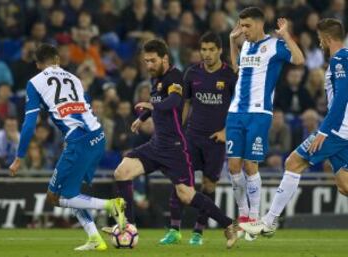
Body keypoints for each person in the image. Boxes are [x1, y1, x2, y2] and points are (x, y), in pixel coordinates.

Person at [110, 39, 238, 249]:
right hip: (156, 145)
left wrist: (151, 104)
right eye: (146, 61)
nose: (148, 65)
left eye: (152, 61)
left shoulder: (175, 77)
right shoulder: (157, 79)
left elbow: (174, 102)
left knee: (186, 195)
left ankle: (228, 224)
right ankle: (129, 227)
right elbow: (160, 102)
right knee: (121, 172)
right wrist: (142, 118)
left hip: (175, 149)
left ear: (165, 58)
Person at [9, 44, 126, 251]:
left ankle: (111, 205)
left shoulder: (35, 82)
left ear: (38, 64)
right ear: (58, 59)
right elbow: (85, 107)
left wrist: (19, 156)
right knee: (73, 193)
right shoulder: (75, 78)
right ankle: (95, 239)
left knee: (57, 197)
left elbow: (29, 124)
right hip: (97, 137)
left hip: (78, 142)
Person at [240, 18, 348, 237]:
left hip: (337, 130)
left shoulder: (339, 61)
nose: (319, 43)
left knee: (293, 162)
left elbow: (341, 99)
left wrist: (325, 131)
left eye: (320, 39)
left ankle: (269, 221)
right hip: (342, 130)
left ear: (327, 38)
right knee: (344, 185)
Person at [227, 7, 304, 240]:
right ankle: (243, 216)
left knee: (250, 166)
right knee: (232, 167)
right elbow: (237, 70)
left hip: (259, 113)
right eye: (241, 25)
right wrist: (232, 43)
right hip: (235, 111)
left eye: (247, 26)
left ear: (260, 24)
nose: (243, 30)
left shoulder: (274, 45)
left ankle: (253, 217)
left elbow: (299, 60)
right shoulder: (246, 45)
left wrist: (287, 36)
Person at [159, 32, 236, 246]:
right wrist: (178, 129)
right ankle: (174, 229)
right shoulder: (192, 73)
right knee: (181, 182)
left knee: (209, 186)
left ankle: (198, 233)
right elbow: (186, 104)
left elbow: (238, 108)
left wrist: (226, 131)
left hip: (216, 141)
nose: (207, 54)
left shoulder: (229, 75)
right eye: (204, 49)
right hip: (192, 137)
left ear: (220, 50)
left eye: (212, 49)